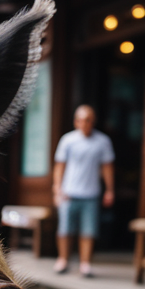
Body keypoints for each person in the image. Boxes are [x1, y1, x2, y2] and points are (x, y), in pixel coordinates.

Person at [52, 105, 115, 277]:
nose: (84, 123)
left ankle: (85, 263)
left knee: (88, 231)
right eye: (81, 119)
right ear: (75, 121)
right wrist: (57, 188)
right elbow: (59, 167)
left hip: (91, 194)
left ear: (93, 121)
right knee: (65, 229)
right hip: (68, 193)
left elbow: (107, 168)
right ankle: (63, 259)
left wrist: (109, 190)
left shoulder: (103, 142)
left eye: (88, 120)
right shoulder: (67, 140)